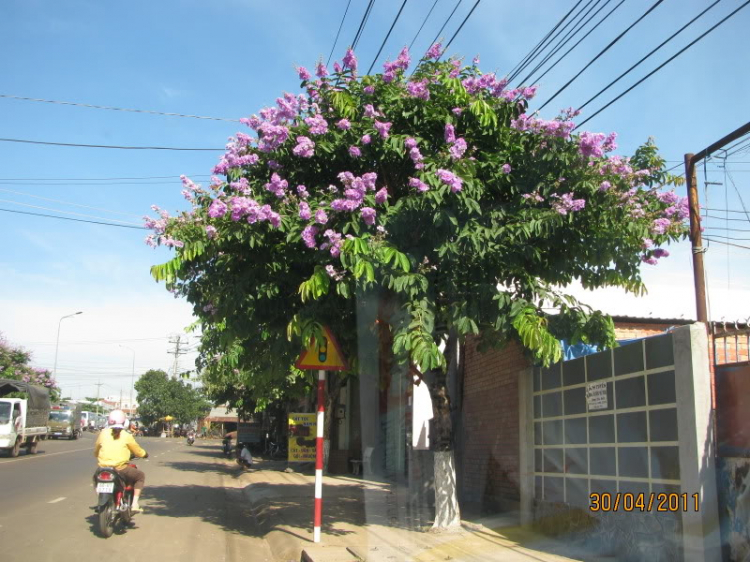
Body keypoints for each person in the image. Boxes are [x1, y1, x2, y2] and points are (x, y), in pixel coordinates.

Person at [94, 409, 148, 513]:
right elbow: (137, 450)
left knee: (96, 479)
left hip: (103, 468)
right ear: (124, 422)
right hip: (121, 468)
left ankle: (100, 500)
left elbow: (96, 449)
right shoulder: (126, 435)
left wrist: (97, 455)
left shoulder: (103, 433)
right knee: (140, 476)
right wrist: (144, 454)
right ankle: (135, 504)